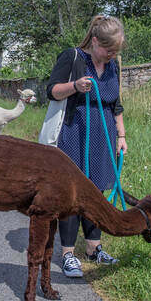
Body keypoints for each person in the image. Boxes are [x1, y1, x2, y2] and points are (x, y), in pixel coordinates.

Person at [45, 15, 128, 278]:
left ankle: (94, 249)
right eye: (108, 50)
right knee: (71, 194)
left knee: (96, 192)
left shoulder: (112, 65)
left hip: (103, 135)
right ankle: (68, 254)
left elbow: (115, 104)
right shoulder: (73, 58)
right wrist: (75, 86)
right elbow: (51, 91)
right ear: (94, 41)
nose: (112, 55)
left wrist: (121, 136)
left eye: (116, 51)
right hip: (74, 131)